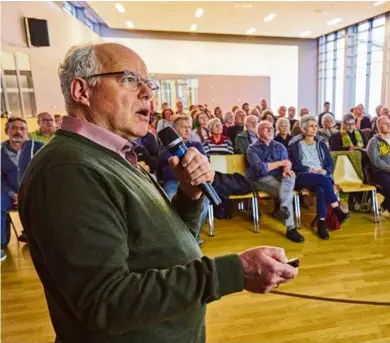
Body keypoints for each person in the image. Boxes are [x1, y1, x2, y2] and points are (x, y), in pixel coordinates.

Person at [17, 43, 297, 342]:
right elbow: (106, 304)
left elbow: (161, 243)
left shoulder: (112, 157)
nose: (147, 93)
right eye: (128, 79)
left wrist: (189, 197)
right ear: (82, 91)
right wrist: (233, 272)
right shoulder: (68, 171)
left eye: (148, 84)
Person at [289, 115, 350, 239]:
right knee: (323, 180)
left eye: (316, 126)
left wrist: (325, 170)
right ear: (303, 129)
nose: (314, 128)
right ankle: (337, 211)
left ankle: (321, 223)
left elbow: (329, 163)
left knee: (321, 188)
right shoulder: (295, 146)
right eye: (311, 126)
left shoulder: (321, 144)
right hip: (303, 175)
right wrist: (309, 169)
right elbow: (294, 165)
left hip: (321, 176)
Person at [247, 121, 302, 242]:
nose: (270, 130)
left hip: (280, 176)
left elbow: (287, 162)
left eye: (271, 128)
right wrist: (280, 163)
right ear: (258, 132)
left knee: (291, 176)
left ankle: (282, 208)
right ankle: (291, 228)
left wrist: (286, 169)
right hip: (262, 179)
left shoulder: (279, 146)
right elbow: (260, 169)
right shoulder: (252, 149)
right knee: (285, 193)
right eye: (266, 128)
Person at [1, 118, 44, 255]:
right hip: (10, 196)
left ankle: (42, 239)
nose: (18, 131)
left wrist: (27, 194)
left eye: (22, 128)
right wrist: (13, 195)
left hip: (35, 194)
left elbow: (46, 173)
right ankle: (1, 243)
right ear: (6, 131)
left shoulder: (39, 148)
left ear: (27, 132)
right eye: (13, 128)